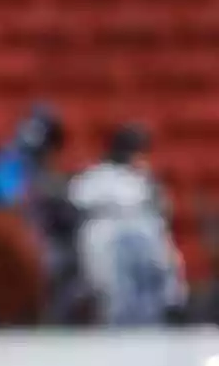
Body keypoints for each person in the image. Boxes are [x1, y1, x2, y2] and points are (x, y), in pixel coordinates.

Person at [68, 123, 187, 326]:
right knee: (112, 293)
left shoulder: (145, 181)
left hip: (143, 230)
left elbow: (162, 212)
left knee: (162, 272)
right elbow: (76, 202)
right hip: (103, 232)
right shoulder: (94, 178)